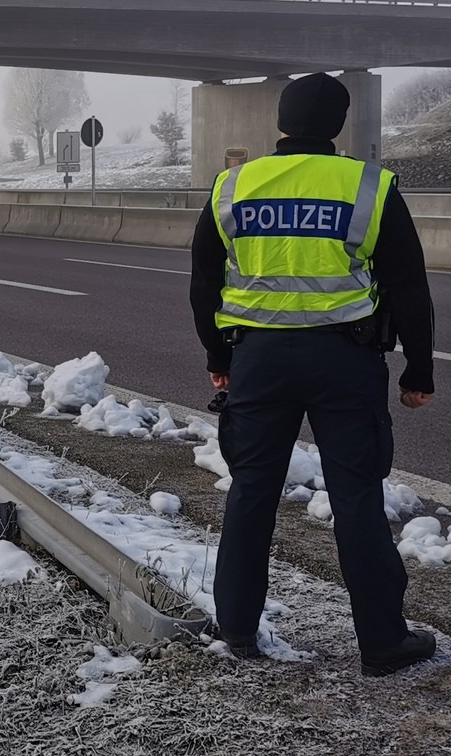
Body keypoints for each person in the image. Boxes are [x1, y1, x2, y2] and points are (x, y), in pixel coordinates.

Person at [189, 72, 437, 676]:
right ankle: (382, 643)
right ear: (339, 124)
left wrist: (220, 359)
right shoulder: (368, 186)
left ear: (281, 122)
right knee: (355, 498)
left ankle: (238, 629)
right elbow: (408, 286)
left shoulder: (233, 186)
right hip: (345, 362)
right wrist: (419, 371)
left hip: (258, 361)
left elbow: (204, 285)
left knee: (251, 494)